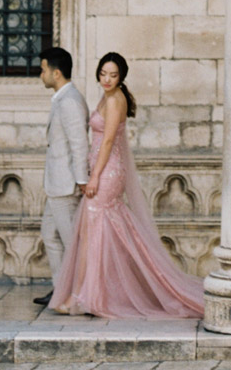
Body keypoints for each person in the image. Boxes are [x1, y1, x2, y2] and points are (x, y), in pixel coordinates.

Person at [48, 52, 205, 318]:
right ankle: (91, 293)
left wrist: (94, 176)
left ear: (121, 77)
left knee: (92, 233)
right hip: (102, 168)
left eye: (113, 75)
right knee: (97, 233)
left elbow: (108, 142)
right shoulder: (107, 96)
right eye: (103, 74)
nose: (107, 79)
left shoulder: (115, 100)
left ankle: (83, 298)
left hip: (107, 172)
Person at [35, 46, 89, 308]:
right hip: (56, 184)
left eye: (43, 69)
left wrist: (81, 182)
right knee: (49, 235)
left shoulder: (69, 102)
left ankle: (77, 295)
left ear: (56, 73)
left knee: (70, 243)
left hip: (66, 186)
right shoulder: (62, 99)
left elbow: (79, 144)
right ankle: (61, 289)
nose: (40, 74)